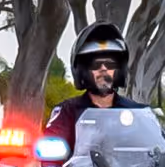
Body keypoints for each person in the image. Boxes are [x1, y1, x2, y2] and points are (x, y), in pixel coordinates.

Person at [38, 22, 151, 154]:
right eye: (96, 64)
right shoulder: (67, 112)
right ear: (83, 70)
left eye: (110, 64)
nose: (103, 69)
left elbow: (159, 146)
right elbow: (49, 147)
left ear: (119, 70)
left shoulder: (137, 113)